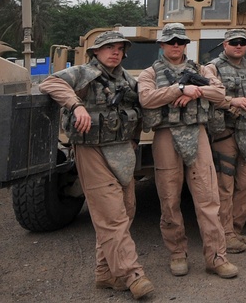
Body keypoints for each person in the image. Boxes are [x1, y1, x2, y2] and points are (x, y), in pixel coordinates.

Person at [38, 31, 154, 299]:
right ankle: (132, 274)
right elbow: (50, 83)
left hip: (122, 150)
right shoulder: (82, 73)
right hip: (91, 150)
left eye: (119, 48)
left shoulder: (127, 79)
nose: (115, 52)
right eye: (108, 48)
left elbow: (138, 111)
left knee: (125, 210)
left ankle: (105, 274)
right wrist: (76, 106)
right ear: (95, 52)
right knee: (112, 216)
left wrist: (135, 140)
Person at [137, 23, 238, 280]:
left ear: (185, 45)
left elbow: (219, 92)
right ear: (162, 45)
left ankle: (216, 257)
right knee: (169, 198)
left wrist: (196, 92)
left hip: (197, 131)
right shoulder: (150, 73)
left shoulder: (200, 70)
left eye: (180, 41)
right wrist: (178, 90)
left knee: (208, 197)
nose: (176, 46)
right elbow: (146, 98)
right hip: (166, 134)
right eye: (171, 41)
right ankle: (177, 253)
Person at [205, 28, 246, 254]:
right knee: (225, 186)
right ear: (225, 44)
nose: (238, 45)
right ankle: (225, 234)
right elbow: (209, 93)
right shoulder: (212, 68)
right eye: (233, 42)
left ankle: (234, 228)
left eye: (242, 42)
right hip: (225, 133)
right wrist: (232, 101)